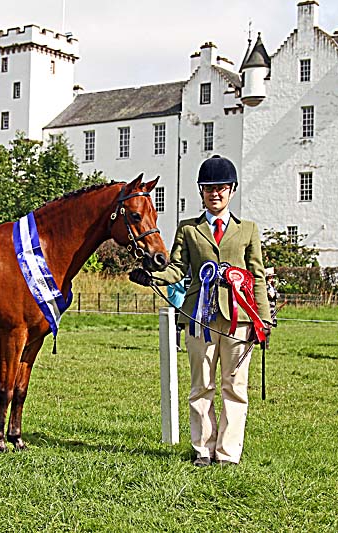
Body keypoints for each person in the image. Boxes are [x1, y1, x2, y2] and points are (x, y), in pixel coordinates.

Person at [129, 154, 272, 467]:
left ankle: (228, 453)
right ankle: (203, 449)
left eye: (221, 188)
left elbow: (257, 274)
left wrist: (263, 319)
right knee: (201, 384)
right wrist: (152, 275)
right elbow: (178, 268)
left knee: (234, 386)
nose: (215, 193)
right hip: (199, 317)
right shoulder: (189, 230)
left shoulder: (248, 229)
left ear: (232, 190)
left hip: (240, 316)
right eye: (209, 188)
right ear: (201, 192)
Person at [166, 279, 186, 350]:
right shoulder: (174, 281)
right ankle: (176, 345)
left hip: (178, 306)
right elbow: (183, 288)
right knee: (177, 327)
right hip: (177, 306)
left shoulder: (171, 282)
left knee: (178, 327)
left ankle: (177, 345)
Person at [265, 267, 278, 349]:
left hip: (272, 309)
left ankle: (267, 344)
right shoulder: (266, 286)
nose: (272, 278)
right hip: (268, 309)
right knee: (266, 328)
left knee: (269, 328)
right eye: (270, 277)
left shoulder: (271, 286)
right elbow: (271, 295)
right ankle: (265, 345)